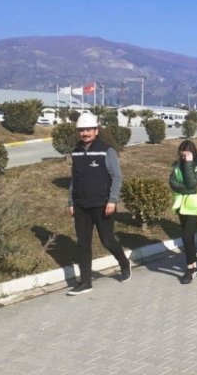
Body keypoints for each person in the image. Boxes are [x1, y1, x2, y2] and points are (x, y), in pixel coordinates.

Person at [67, 113, 131, 295]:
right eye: (82, 130)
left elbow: (117, 176)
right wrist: (71, 201)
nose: (85, 133)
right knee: (83, 244)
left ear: (96, 130)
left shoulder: (106, 150)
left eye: (88, 129)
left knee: (107, 240)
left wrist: (112, 200)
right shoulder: (76, 151)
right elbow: (74, 179)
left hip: (102, 205)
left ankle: (124, 263)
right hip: (81, 205)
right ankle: (85, 282)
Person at [169, 140, 197, 284]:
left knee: (186, 236)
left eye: (187, 155)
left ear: (193, 153)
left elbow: (191, 181)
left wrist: (188, 164)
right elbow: (173, 182)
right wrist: (190, 190)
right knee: (188, 237)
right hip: (182, 205)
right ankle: (195, 265)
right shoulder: (177, 164)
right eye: (182, 156)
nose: (184, 158)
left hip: (195, 205)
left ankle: (190, 268)